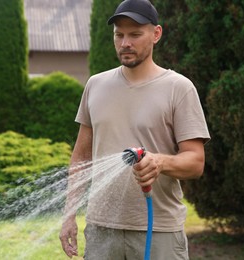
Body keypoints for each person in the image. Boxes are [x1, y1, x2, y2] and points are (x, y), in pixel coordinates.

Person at [59, 0, 210, 259]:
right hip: (101, 230)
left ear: (156, 34)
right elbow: (81, 157)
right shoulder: (95, 85)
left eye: (135, 34)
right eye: (119, 34)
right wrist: (69, 213)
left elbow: (195, 162)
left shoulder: (179, 88)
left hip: (159, 230)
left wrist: (160, 162)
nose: (125, 43)